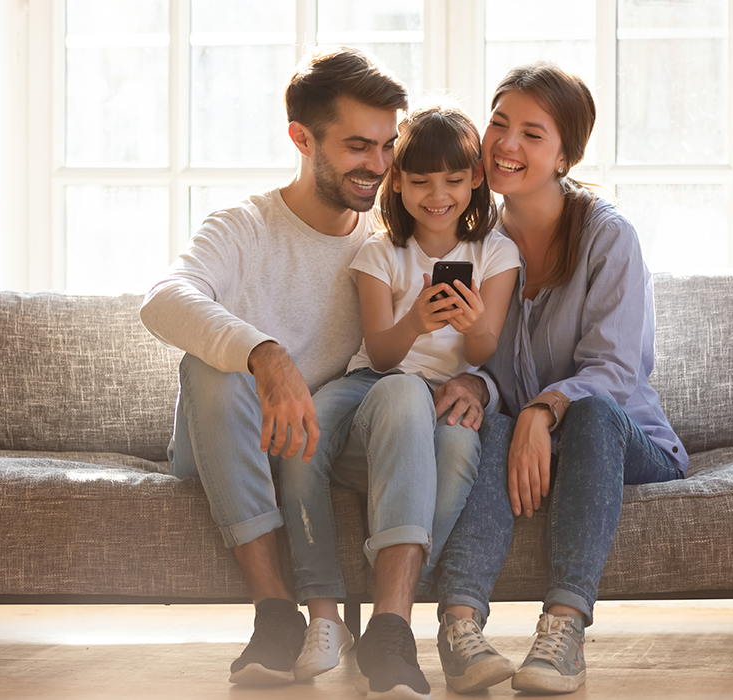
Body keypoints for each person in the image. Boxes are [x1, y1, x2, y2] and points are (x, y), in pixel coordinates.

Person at [140, 47, 492, 699]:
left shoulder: (392, 241)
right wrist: (263, 355)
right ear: (302, 138)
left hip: (332, 440)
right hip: (232, 439)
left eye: (388, 144)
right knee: (211, 372)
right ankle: (276, 616)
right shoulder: (243, 227)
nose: (381, 165)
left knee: (415, 404)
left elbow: (434, 348)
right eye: (359, 146)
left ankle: (391, 631)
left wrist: (477, 381)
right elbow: (163, 299)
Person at [429, 61, 690, 695]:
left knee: (594, 414)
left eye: (532, 133)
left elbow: (617, 372)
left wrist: (543, 410)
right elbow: (488, 364)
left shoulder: (609, 236)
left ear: (566, 154)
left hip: (625, 440)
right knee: (478, 422)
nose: (506, 145)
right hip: (528, 436)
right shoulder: (475, 243)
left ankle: (564, 631)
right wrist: (476, 386)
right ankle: (460, 628)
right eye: (498, 123)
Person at [278, 104, 519, 685]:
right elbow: (383, 355)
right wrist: (414, 320)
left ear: (476, 179)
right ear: (398, 182)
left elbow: (485, 351)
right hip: (370, 387)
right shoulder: (379, 254)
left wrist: (469, 322)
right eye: (420, 181)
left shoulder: (496, 254)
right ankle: (322, 608)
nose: (438, 195)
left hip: (444, 397)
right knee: (299, 437)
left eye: (454, 180)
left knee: (460, 451)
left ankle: (392, 599)